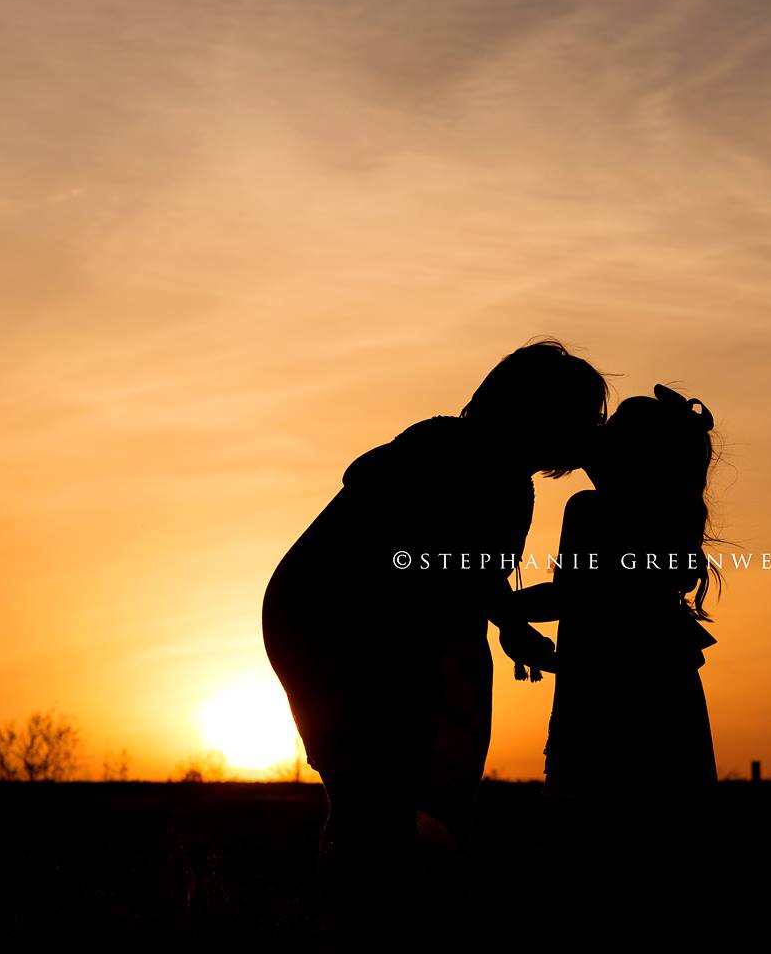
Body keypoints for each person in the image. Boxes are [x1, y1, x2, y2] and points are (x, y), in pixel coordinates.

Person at [259, 338, 610, 936]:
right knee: (375, 783)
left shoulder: (501, 479)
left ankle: (369, 917)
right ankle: (372, 923)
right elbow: (400, 528)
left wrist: (509, 622)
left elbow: (466, 569)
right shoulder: (448, 448)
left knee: (380, 788)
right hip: (339, 626)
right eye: (576, 418)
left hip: (371, 628)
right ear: (537, 413)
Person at [493, 383, 723, 930]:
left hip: (605, 701)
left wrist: (496, 606)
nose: (597, 433)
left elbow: (574, 594)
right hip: (668, 695)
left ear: (629, 454)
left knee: (593, 860)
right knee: (666, 858)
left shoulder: (594, 510)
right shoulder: (661, 517)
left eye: (612, 428)